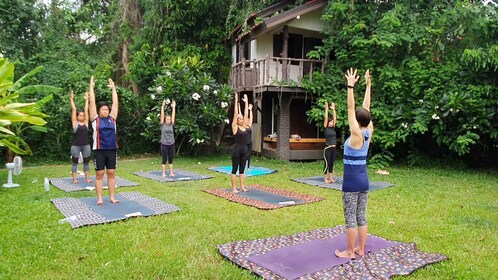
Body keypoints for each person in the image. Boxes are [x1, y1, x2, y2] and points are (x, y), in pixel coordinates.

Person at [335, 68, 373, 259]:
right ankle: (361, 249)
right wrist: (368, 85)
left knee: (350, 218)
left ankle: (350, 252)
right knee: (361, 217)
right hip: (364, 182)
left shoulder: (356, 135)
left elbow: (351, 109)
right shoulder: (368, 131)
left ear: (357, 121)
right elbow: (366, 109)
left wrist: (350, 86)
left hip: (351, 183)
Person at [88, 76, 120, 205]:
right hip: (99, 150)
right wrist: (91, 87)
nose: (106, 111)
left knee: (111, 173)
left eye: (107, 109)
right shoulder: (95, 120)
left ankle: (112, 197)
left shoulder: (112, 119)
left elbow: (116, 104)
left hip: (112, 150)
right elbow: (91, 103)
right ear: (99, 111)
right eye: (103, 109)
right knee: (100, 174)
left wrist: (113, 89)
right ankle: (100, 199)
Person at [69, 90, 91, 184]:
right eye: (80, 115)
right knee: (75, 162)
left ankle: (87, 178)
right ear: (77, 117)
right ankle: (74, 179)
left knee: (86, 162)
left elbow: (86, 111)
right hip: (76, 146)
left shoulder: (86, 123)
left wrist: (87, 100)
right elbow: (74, 110)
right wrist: (71, 99)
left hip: (86, 145)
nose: (82, 116)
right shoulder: (75, 124)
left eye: (83, 116)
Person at [230, 92, 249, 193]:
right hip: (237, 149)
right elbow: (235, 113)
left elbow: (246, 114)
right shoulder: (235, 127)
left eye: (242, 119)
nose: (241, 119)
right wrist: (236, 99)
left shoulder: (245, 126)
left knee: (242, 170)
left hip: (244, 149)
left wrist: (246, 103)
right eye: (239, 118)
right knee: (234, 169)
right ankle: (233, 188)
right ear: (237, 120)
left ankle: (242, 186)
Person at [160, 99, 176, 177]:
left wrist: (173, 108)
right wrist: (163, 106)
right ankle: (163, 173)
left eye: (169, 119)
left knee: (171, 160)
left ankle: (171, 172)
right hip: (164, 144)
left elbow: (173, 116)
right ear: (165, 120)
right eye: (167, 119)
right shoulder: (163, 124)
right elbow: (162, 115)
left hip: (171, 144)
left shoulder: (171, 125)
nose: (169, 120)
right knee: (164, 160)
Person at [323, 100, 337, 184]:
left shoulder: (333, 129)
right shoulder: (326, 128)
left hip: (333, 148)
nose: (331, 123)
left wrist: (334, 110)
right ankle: (325, 179)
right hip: (327, 148)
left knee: (332, 163)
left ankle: (331, 178)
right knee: (327, 163)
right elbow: (325, 118)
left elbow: (335, 118)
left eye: (332, 122)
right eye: (330, 122)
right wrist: (327, 109)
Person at [246, 103, 253, 171]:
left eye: (248, 120)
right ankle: (241, 166)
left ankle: (248, 167)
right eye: (247, 120)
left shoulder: (249, 126)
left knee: (249, 154)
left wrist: (250, 110)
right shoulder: (243, 126)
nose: (248, 121)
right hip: (244, 142)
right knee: (243, 154)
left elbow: (251, 117)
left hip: (249, 142)